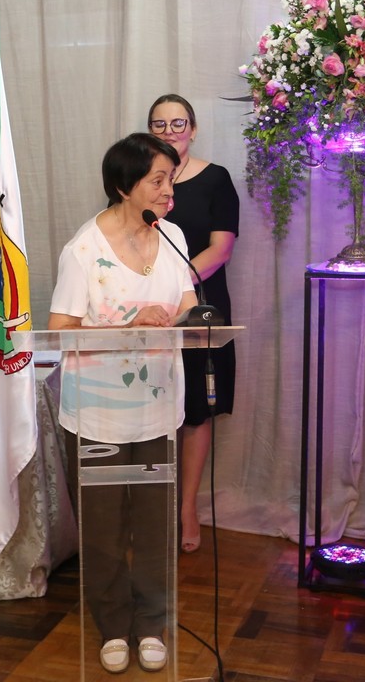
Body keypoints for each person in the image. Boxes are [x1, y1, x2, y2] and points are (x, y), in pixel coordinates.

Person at [48, 132, 197, 674]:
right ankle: (113, 626)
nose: (168, 191)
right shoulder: (83, 250)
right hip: (98, 414)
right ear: (123, 186)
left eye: (170, 180)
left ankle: (152, 624)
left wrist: (181, 318)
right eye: (157, 181)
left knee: (157, 526)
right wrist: (129, 324)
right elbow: (60, 329)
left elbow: (187, 301)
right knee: (105, 530)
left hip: (158, 408)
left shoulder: (173, 236)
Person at [147, 93, 239, 554]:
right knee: (151, 401)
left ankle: (187, 508)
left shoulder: (216, 179)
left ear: (194, 129)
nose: (170, 132)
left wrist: (175, 289)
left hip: (199, 306)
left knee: (197, 411)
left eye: (178, 123)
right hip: (147, 308)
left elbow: (221, 249)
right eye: (160, 124)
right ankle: (153, 507)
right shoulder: (139, 181)